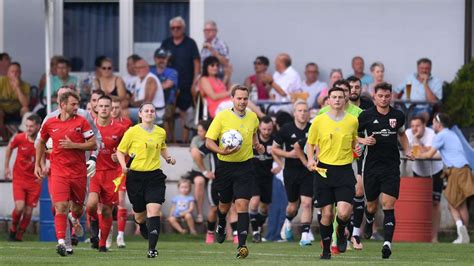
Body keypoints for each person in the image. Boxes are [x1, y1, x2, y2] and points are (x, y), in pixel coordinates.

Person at [34, 90, 97, 256]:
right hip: (59, 172)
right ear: (62, 105)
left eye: (77, 104)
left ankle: (74, 217)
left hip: (78, 172)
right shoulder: (49, 123)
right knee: (60, 206)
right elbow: (40, 142)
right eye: (73, 104)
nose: (77, 107)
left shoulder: (82, 122)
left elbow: (93, 144)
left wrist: (74, 145)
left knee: (77, 209)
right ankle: (62, 243)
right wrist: (38, 164)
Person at [205, 85, 264, 259]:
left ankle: (242, 245)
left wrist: (257, 146)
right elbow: (209, 141)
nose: (242, 102)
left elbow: (254, 137)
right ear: (232, 99)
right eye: (239, 98)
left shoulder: (253, 117)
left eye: (245, 98)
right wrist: (221, 151)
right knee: (223, 205)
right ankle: (222, 222)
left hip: (245, 166)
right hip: (225, 167)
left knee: (242, 205)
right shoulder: (222, 117)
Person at [358, 82, 413, 259]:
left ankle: (387, 244)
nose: (383, 99)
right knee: (372, 205)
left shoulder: (398, 115)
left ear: (391, 96)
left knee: (388, 205)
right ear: (375, 96)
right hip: (371, 167)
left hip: (391, 167)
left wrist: (408, 149)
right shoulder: (365, 116)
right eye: (380, 96)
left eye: (387, 96)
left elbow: (402, 134)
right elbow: (354, 136)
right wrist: (363, 141)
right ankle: (368, 219)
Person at [116, 102, 176, 258]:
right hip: (135, 177)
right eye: (146, 111)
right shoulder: (132, 132)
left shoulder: (160, 132)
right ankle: (141, 224)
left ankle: (152, 249)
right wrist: (123, 166)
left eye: (152, 111)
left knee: (154, 210)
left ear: (155, 114)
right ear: (140, 114)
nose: (150, 113)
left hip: (154, 176)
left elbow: (162, 147)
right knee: (140, 215)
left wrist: (168, 158)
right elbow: (120, 151)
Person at [306, 87, 360, 259]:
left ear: (345, 100)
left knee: (343, 212)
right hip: (324, 170)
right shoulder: (319, 121)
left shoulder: (352, 121)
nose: (337, 100)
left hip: (344, 170)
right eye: (334, 97)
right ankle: (326, 249)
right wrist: (310, 159)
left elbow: (354, 142)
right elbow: (310, 143)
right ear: (328, 100)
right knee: (327, 213)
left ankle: (342, 228)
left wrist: (356, 148)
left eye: (340, 97)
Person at [418, 113, 474, 244]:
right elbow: (442, 155)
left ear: (439, 123)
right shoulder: (451, 134)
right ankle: (464, 236)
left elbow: (430, 154)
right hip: (464, 169)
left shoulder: (441, 135)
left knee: (451, 203)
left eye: (434, 122)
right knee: (461, 204)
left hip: (456, 170)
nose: (432, 125)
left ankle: (461, 232)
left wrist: (418, 155)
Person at [85, 96, 127, 252]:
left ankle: (102, 244)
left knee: (107, 210)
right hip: (93, 172)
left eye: (106, 106)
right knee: (91, 205)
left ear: (111, 109)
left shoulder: (119, 129)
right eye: (100, 105)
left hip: (111, 174)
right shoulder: (88, 126)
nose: (103, 108)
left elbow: (127, 149)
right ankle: (94, 223)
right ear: (96, 107)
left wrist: (120, 156)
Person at [272, 100, 313, 246]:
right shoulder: (286, 129)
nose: (302, 113)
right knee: (292, 206)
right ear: (294, 113)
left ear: (309, 113)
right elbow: (273, 149)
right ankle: (287, 221)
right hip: (291, 172)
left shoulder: (313, 128)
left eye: (305, 110)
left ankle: (305, 236)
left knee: (307, 204)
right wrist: (287, 156)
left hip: (308, 171)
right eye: (300, 111)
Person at [160, 16, 200, 143]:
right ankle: (170, 142)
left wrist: (195, 81)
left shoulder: (190, 43)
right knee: (168, 114)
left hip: (186, 83)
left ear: (183, 28)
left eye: (178, 27)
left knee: (186, 113)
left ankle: (184, 142)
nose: (175, 30)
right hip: (169, 85)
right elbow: (160, 61)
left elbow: (197, 63)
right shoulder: (166, 43)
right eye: (173, 28)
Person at [346, 75, 374, 250]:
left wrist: (364, 142)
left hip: (362, 154)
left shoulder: (368, 107)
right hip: (342, 153)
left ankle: (355, 234)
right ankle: (341, 232)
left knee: (359, 189)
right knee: (341, 199)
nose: (354, 90)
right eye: (351, 87)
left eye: (357, 87)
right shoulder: (341, 107)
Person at [405, 116, 444, 243]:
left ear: (424, 126)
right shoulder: (407, 133)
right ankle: (420, 236)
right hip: (419, 171)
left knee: (435, 203)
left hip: (435, 171)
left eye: (418, 126)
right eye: (413, 126)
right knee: (420, 203)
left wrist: (416, 141)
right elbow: (410, 152)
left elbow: (426, 152)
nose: (415, 129)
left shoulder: (432, 134)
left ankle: (434, 237)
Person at [5, 114, 42, 241]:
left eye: (31, 126)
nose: (29, 129)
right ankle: (13, 229)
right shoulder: (20, 138)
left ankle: (20, 234)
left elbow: (47, 158)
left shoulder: (42, 142)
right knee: (19, 207)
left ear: (38, 126)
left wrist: (45, 168)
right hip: (20, 179)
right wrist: (6, 167)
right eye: (27, 126)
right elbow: (9, 148)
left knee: (28, 212)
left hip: (34, 181)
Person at [249, 116, 282, 243]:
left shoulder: (275, 141)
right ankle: (256, 232)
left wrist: (278, 166)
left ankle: (259, 226)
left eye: (269, 129)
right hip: (253, 177)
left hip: (268, 178)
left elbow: (281, 157)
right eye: (264, 129)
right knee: (254, 202)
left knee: (264, 208)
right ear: (259, 128)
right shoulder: (253, 140)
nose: (266, 132)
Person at [110, 98, 132, 248]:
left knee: (121, 201)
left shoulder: (127, 124)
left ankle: (120, 236)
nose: (114, 110)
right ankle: (104, 233)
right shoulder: (100, 123)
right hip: (105, 167)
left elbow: (131, 146)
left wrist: (121, 157)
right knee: (104, 202)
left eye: (117, 107)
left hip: (121, 167)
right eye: (112, 107)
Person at [185, 120, 213, 223]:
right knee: (199, 181)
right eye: (198, 130)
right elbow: (194, 153)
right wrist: (205, 171)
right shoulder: (196, 139)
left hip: (213, 171)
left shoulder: (214, 139)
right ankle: (200, 213)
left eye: (201, 131)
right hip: (199, 170)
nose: (199, 133)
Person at [150, 48, 178, 142]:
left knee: (165, 117)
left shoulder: (172, 72)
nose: (161, 60)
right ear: (154, 58)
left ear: (167, 59)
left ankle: (168, 142)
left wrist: (152, 86)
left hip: (167, 103)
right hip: (150, 102)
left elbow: (167, 85)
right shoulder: (150, 71)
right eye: (159, 58)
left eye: (163, 58)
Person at [129, 59, 165, 125]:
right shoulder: (138, 80)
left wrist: (133, 104)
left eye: (140, 67)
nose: (138, 70)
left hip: (154, 112)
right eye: (136, 67)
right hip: (142, 109)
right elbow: (132, 99)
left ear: (147, 68)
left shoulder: (150, 79)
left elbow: (147, 102)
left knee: (124, 113)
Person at [0, 62, 30, 140]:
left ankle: (22, 137)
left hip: (17, 111)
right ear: (7, 73)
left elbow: (25, 104)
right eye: (12, 71)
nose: (15, 74)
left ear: (20, 73)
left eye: (17, 72)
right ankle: (5, 138)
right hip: (3, 111)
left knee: (26, 110)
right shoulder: (2, 81)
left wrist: (17, 87)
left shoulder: (25, 85)